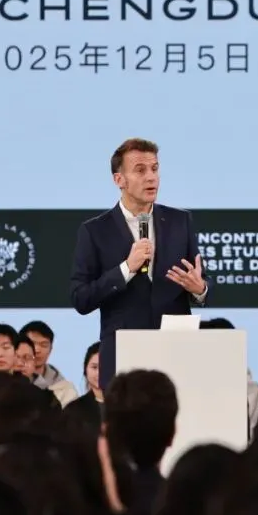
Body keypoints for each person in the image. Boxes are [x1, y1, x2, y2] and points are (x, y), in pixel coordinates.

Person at [70, 138, 210, 388]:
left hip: (176, 352)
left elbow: (203, 283)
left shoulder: (180, 221)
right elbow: (81, 298)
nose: (151, 177)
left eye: (155, 169)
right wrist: (126, 268)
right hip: (123, 358)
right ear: (119, 180)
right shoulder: (95, 231)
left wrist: (199, 289)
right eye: (140, 170)